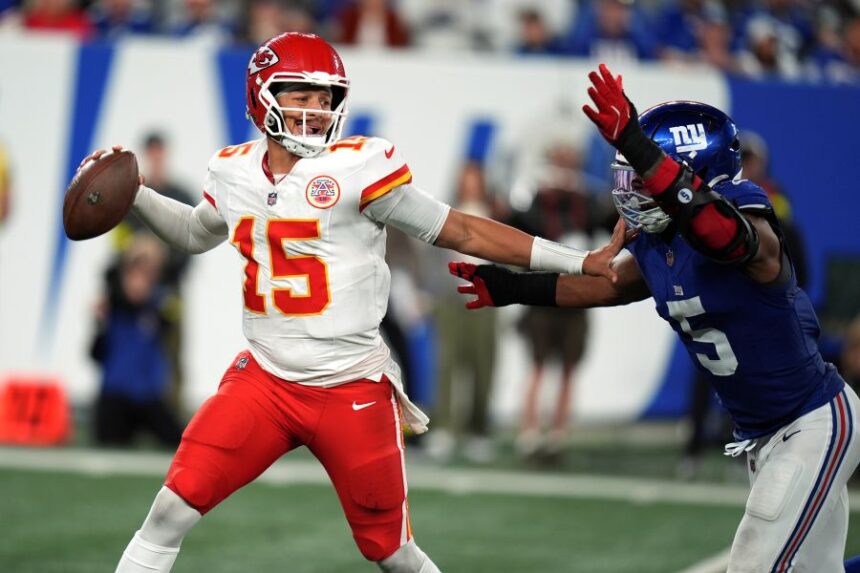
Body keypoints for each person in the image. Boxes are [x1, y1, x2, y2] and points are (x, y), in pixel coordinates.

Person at [78, 34, 626, 573]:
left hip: (351, 388)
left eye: (325, 98)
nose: (315, 110)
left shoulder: (359, 169)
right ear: (261, 94)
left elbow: (462, 230)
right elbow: (197, 232)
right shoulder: (234, 171)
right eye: (301, 95)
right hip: (266, 381)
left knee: (392, 552)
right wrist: (139, 196)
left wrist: (576, 260)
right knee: (171, 507)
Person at [450, 64, 860, 572]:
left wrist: (641, 145)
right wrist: (512, 286)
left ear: (692, 174)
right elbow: (609, 283)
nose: (632, 189)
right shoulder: (658, 240)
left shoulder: (745, 212)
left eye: (642, 174)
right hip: (766, 433)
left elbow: (725, 238)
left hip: (813, 420)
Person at [90, 234, 184, 448]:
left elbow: (169, 325)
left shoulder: (161, 305)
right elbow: (94, 354)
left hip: (150, 397)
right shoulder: (112, 305)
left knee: (179, 443)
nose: (139, 281)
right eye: (135, 272)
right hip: (115, 396)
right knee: (109, 444)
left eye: (147, 273)